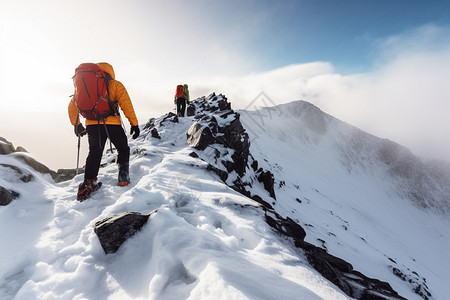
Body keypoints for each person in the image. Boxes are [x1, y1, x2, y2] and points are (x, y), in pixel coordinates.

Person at [68, 62, 140, 201]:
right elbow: (126, 105)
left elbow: (72, 107)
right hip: (112, 124)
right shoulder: (115, 85)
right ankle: (123, 178)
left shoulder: (83, 86)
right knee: (123, 148)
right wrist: (134, 124)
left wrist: (76, 125)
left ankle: (88, 183)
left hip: (92, 125)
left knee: (95, 152)